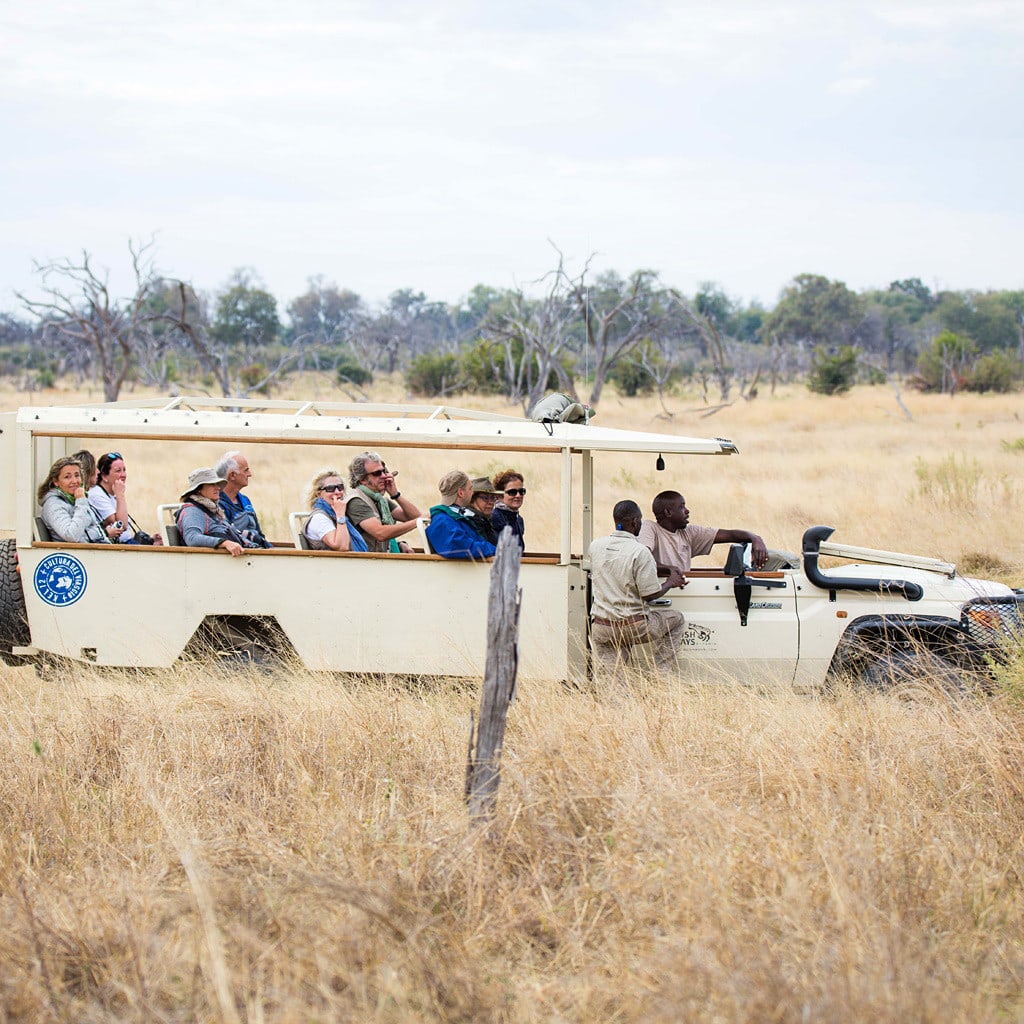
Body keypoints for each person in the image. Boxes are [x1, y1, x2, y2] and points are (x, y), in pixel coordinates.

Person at [588, 500, 688, 677]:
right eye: (640, 520)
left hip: (602, 626)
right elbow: (650, 595)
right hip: (634, 626)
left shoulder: (595, 546)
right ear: (635, 522)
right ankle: (659, 675)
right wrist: (671, 581)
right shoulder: (641, 552)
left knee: (612, 683)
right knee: (677, 619)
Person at [638, 490, 785, 576]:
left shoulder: (688, 532)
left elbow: (730, 535)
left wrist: (755, 538)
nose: (687, 511)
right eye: (682, 507)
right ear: (668, 512)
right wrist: (671, 570)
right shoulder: (650, 528)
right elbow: (643, 561)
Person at [346, 451, 421, 553]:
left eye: (384, 471)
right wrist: (418, 521)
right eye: (377, 473)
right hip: (363, 563)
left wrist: (395, 495)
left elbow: (414, 517)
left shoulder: (380, 500)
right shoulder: (356, 501)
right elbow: (380, 533)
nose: (384, 476)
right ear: (362, 479)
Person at [38, 456, 118, 543]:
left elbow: (89, 530)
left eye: (77, 475)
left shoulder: (74, 498)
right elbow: (72, 535)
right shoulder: (53, 504)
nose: (74, 481)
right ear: (56, 481)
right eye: (67, 477)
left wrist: (101, 532)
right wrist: (81, 502)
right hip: (77, 553)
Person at [175, 468, 254, 556]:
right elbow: (192, 538)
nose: (218, 488)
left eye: (217, 484)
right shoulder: (192, 511)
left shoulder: (212, 509)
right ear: (198, 489)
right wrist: (225, 543)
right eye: (212, 484)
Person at [89, 451, 163, 545]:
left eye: (124, 470)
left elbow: (125, 534)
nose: (123, 475)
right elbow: (121, 525)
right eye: (118, 471)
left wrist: (151, 540)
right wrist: (120, 495)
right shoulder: (96, 494)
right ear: (104, 476)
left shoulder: (113, 494)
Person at [425, 471, 497, 560]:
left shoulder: (457, 517)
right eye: (470, 489)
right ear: (461, 493)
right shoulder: (442, 519)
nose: (472, 493)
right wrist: (496, 550)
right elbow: (459, 546)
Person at [301, 470, 369, 552]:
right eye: (330, 488)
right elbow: (342, 546)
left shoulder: (334, 514)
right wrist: (340, 516)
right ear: (318, 494)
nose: (337, 492)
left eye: (340, 487)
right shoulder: (319, 518)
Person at [216, 450, 271, 548]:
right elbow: (230, 535)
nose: (250, 474)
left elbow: (259, 533)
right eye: (246, 470)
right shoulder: (218, 503)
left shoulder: (245, 500)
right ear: (232, 475)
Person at [491, 468, 526, 549]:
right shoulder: (494, 518)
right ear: (499, 495)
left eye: (522, 491)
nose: (518, 496)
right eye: (512, 492)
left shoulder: (519, 520)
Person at [465, 476, 502, 546]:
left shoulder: (485, 520)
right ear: (472, 499)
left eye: (493, 498)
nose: (490, 502)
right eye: (485, 498)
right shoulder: (468, 521)